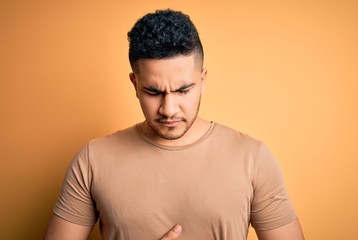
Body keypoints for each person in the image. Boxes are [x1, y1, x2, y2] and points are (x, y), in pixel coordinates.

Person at [44, 9, 304, 240]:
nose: (168, 109)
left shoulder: (252, 158)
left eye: (183, 90)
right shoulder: (92, 160)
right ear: (135, 85)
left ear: (202, 80)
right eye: (153, 92)